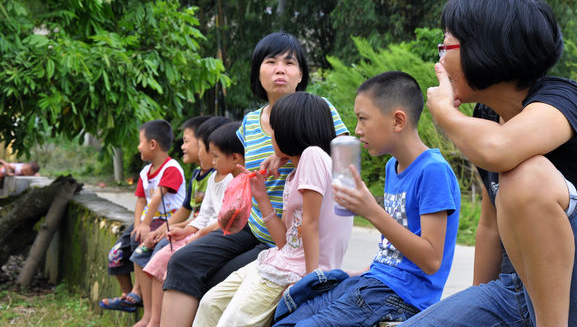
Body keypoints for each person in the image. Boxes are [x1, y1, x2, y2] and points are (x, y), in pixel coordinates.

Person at [400, 0, 577, 327]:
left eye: (447, 46)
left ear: (485, 50)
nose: (439, 60)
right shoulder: (486, 118)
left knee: (524, 176)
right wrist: (476, 307)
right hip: (516, 293)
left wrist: (444, 114)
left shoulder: (564, 100)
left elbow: (500, 150)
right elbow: (489, 227)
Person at [160, 32, 349, 327]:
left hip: (288, 243)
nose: (280, 69)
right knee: (182, 260)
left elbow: (346, 168)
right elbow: (245, 176)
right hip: (256, 226)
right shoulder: (249, 122)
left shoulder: (317, 108)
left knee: (217, 283)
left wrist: (290, 152)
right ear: (257, 73)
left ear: (301, 74)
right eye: (271, 62)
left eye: (289, 62)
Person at [273, 71, 461, 327]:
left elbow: (431, 260)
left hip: (403, 297)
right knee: (287, 314)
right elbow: (393, 252)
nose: (357, 130)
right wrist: (361, 272)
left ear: (397, 120)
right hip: (374, 281)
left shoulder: (432, 170)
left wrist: (371, 210)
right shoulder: (393, 167)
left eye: (363, 119)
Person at [194, 92, 353, 327]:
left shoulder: (313, 156)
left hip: (299, 271)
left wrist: (309, 283)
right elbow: (285, 242)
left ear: (291, 130)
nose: (271, 136)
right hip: (280, 261)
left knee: (233, 321)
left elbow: (310, 223)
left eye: (275, 129)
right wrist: (261, 196)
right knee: (210, 303)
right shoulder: (294, 175)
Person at [136, 121, 244, 327]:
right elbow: (203, 215)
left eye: (215, 155)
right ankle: (154, 318)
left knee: (175, 259)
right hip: (201, 232)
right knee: (161, 256)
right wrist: (185, 230)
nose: (212, 161)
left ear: (234, 158)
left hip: (212, 234)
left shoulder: (233, 182)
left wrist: (197, 233)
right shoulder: (211, 179)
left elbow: (223, 220)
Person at [99, 120, 185, 313]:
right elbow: (140, 201)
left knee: (140, 245)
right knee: (116, 254)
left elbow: (156, 198)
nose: (138, 147)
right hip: (148, 220)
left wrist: (145, 225)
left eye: (140, 142)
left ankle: (137, 292)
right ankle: (128, 296)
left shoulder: (171, 168)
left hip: (166, 221)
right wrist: (138, 224)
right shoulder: (145, 172)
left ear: (152, 144)